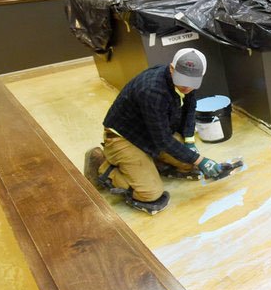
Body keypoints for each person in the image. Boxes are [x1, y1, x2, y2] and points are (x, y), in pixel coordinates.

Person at [83, 48, 224, 215]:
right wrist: (200, 160)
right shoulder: (152, 90)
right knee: (151, 195)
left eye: (192, 81)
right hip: (125, 138)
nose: (187, 86)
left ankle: (152, 162)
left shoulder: (188, 82)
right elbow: (163, 140)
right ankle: (102, 165)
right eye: (183, 79)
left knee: (189, 163)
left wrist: (189, 142)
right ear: (172, 68)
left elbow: (190, 108)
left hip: (151, 132)